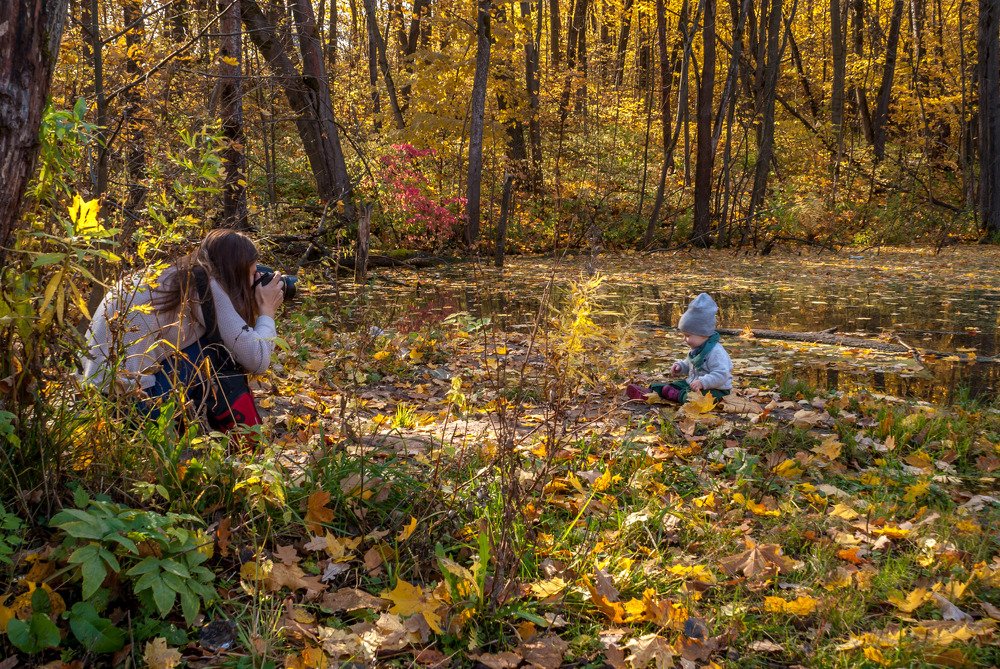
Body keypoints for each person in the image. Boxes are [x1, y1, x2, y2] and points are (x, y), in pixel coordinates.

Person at [81, 229, 285, 431]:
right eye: (251, 274)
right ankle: (244, 432)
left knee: (210, 342)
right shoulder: (204, 285)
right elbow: (257, 359)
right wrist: (266, 310)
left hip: (92, 395)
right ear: (234, 272)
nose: (254, 281)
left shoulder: (175, 275)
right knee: (215, 350)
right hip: (130, 407)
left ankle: (189, 426)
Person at [626, 293, 733, 403]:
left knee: (692, 398)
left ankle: (676, 395)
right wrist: (681, 367)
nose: (684, 339)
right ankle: (651, 392)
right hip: (693, 383)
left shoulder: (716, 352)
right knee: (673, 385)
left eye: (687, 336)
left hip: (717, 389)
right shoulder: (697, 348)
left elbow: (721, 375)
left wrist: (703, 382)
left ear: (703, 334)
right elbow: (689, 364)